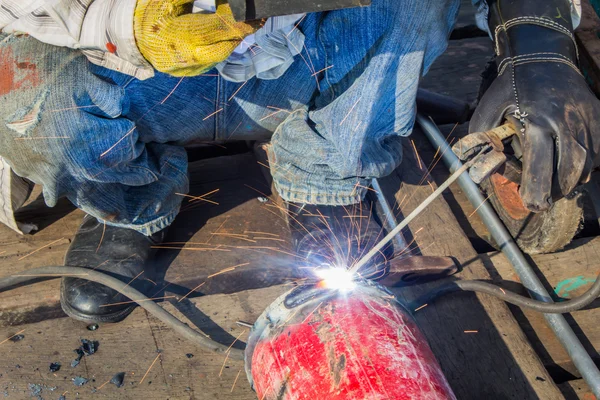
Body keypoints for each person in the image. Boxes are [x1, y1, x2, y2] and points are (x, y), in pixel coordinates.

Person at [0, 0, 597, 323]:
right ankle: (132, 205)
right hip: (130, 71)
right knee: (29, 102)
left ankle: (326, 176)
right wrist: (114, 20)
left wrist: (536, 35)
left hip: (319, 54)